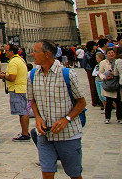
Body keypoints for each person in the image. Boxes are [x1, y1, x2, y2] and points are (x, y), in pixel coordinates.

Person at [29, 39, 86, 179]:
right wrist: (37, 118)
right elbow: (33, 100)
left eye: (35, 51)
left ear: (47, 54)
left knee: (74, 174)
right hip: (45, 135)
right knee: (47, 173)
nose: (32, 54)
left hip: (68, 134)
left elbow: (82, 102)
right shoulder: (32, 75)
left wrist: (67, 119)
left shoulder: (67, 74)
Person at [0, 43, 30, 142]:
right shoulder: (20, 59)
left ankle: (25, 134)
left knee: (22, 112)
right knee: (22, 111)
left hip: (17, 89)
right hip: (21, 88)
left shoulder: (13, 62)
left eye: (6, 51)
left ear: (12, 52)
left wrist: (3, 76)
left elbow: (12, 77)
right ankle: (25, 132)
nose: (5, 53)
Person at [98, 48, 122, 124]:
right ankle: (107, 117)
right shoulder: (103, 63)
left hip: (117, 83)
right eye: (109, 53)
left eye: (112, 53)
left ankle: (119, 118)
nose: (111, 54)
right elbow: (100, 73)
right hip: (108, 84)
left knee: (119, 102)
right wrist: (105, 77)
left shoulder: (117, 61)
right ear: (107, 54)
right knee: (109, 102)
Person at [83, 41, 103, 108]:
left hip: (97, 69)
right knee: (93, 86)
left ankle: (101, 101)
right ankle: (94, 102)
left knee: (99, 84)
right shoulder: (86, 54)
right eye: (95, 45)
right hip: (90, 70)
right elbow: (84, 63)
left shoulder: (97, 52)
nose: (96, 46)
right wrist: (87, 70)